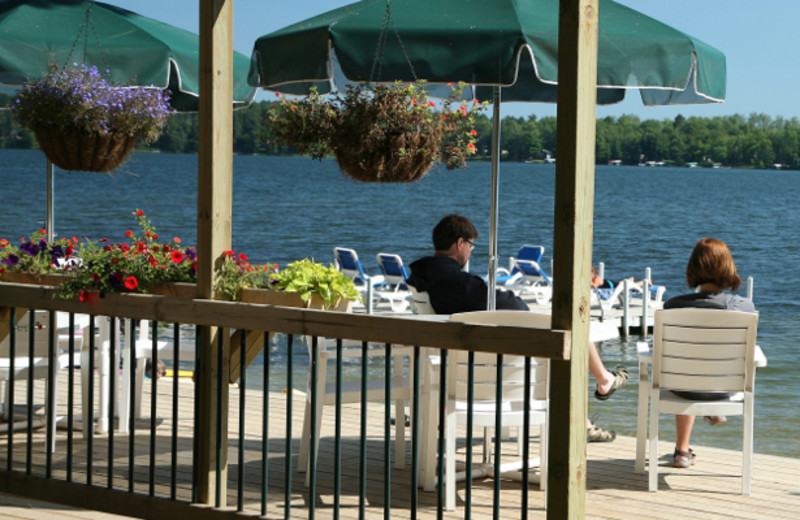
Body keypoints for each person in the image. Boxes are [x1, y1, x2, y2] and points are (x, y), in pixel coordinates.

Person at [408, 214, 628, 441]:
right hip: (488, 374)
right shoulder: (455, 283)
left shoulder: (425, 276)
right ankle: (600, 388)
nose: (471, 251)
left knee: (564, 338)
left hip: (456, 365)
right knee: (567, 338)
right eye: (471, 245)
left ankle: (597, 396)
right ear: (460, 244)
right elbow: (509, 305)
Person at [663, 237, 755, 468]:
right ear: (728, 268)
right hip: (723, 389)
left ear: (692, 268)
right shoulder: (744, 308)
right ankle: (711, 411)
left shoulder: (673, 306)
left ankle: (682, 452)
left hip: (683, 387)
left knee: (689, 367)